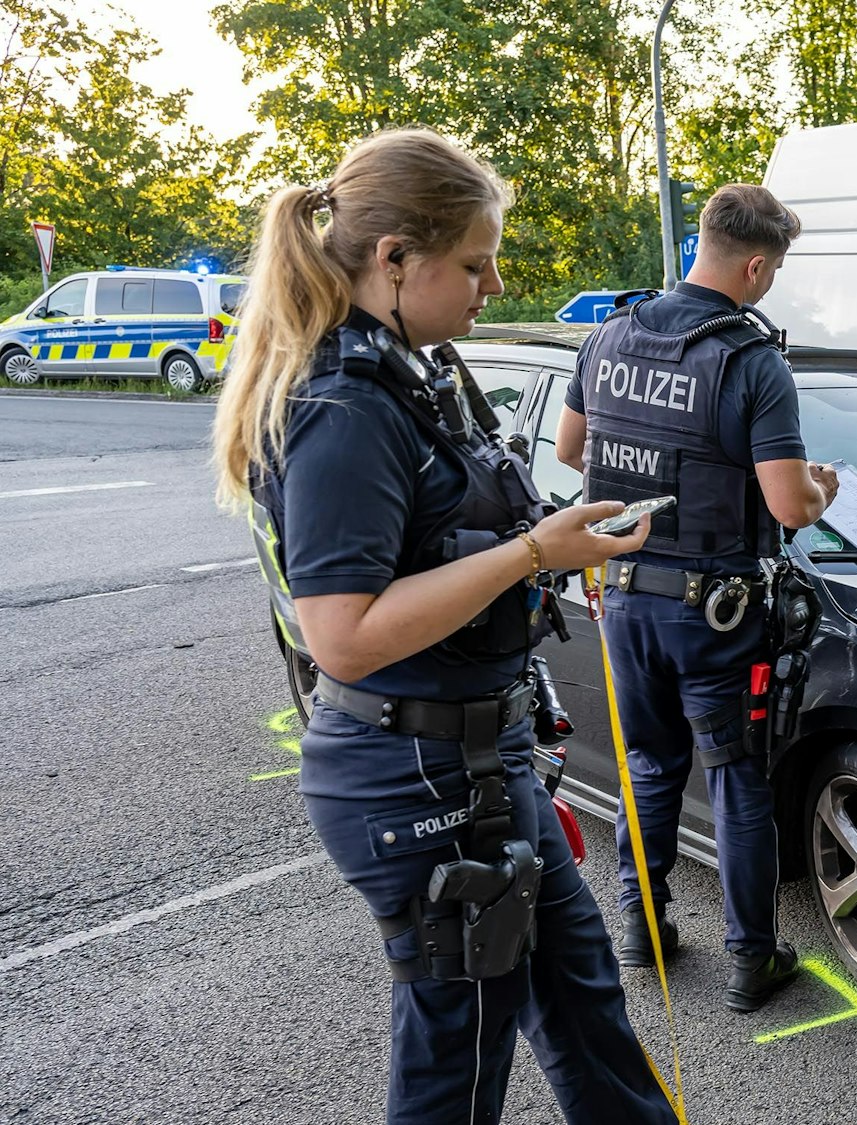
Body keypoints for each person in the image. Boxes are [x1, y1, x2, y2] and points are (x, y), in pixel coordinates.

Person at [211, 128, 681, 1125]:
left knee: (587, 1011)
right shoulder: (343, 405)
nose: (490, 282)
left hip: (480, 756)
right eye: (473, 262)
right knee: (457, 1071)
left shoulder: (411, 373)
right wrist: (528, 556)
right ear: (393, 259)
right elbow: (338, 634)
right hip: (417, 778)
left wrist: (548, 542)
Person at [554, 184, 837, 1012]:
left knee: (648, 765)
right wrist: (818, 489)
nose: (770, 283)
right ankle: (753, 960)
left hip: (626, 595)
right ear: (754, 264)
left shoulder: (609, 334)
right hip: (715, 613)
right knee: (738, 781)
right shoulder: (753, 361)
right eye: (774, 270)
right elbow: (787, 508)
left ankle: (641, 928)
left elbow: (575, 448)